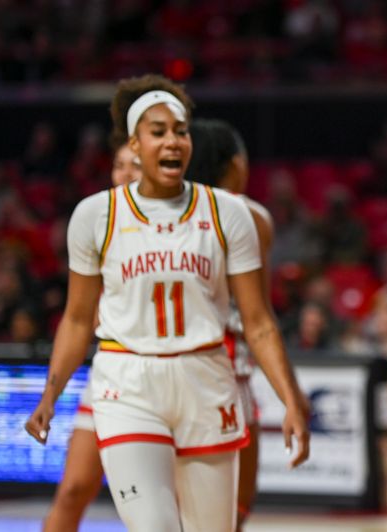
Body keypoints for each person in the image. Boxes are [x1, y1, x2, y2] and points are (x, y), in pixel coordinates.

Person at [25, 74, 309, 532]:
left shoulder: (228, 213)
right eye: (158, 132)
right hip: (128, 380)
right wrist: (51, 393)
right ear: (134, 146)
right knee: (153, 525)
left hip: (205, 377)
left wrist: (290, 398)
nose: (173, 140)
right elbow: (77, 319)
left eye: (180, 130)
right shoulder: (96, 214)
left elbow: (259, 322)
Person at [185, 118, 282, 530]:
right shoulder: (251, 215)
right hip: (225, 361)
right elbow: (257, 310)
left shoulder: (167, 212)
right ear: (234, 163)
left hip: (171, 358)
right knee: (233, 506)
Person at [42, 140, 141, 532]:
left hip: (165, 373)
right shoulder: (98, 222)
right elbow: (77, 317)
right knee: (73, 489)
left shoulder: (182, 225)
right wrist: (51, 394)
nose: (126, 174)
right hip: (111, 371)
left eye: (135, 165)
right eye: (119, 165)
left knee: (155, 507)